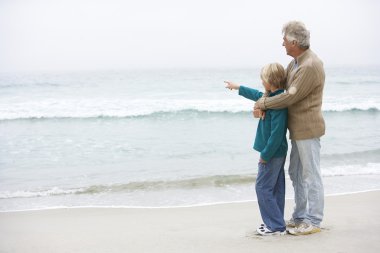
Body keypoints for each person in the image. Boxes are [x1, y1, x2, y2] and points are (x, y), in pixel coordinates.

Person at [254, 21, 325, 235]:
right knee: (295, 173)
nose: (282, 43)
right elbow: (278, 88)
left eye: (284, 40)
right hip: (295, 129)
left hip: (307, 128)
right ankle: (300, 216)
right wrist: (262, 102)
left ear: (294, 42)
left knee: (310, 175)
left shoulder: (309, 65)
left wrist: (263, 104)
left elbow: (289, 97)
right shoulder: (294, 63)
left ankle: (314, 220)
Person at [225, 62, 288, 236]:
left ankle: (275, 226)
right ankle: (277, 222)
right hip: (277, 152)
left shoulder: (277, 103)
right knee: (275, 188)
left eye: (263, 78)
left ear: (271, 80)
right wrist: (237, 87)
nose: (261, 81)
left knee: (262, 188)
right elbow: (256, 94)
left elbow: (276, 134)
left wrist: (265, 155)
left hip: (272, 153)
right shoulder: (272, 98)